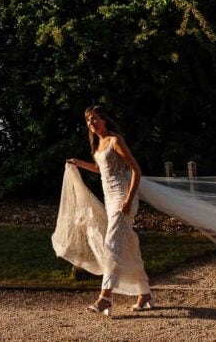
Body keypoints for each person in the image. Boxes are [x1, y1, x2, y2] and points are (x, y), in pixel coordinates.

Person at [65, 105, 152, 315]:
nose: (91, 123)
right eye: (88, 120)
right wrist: (79, 163)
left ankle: (105, 298)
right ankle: (145, 294)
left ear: (104, 120)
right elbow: (100, 169)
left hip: (123, 196)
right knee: (127, 247)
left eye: (95, 119)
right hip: (110, 198)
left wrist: (129, 200)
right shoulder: (97, 146)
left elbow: (136, 171)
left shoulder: (115, 140)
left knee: (111, 244)